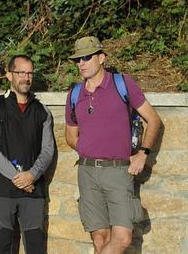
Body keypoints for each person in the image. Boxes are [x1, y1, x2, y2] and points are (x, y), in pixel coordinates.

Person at [65, 36, 162, 254]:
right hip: (87, 172)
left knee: (122, 238)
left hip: (118, 172)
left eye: (86, 57)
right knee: (99, 239)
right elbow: (71, 136)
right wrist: (92, 149)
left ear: (101, 58)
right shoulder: (75, 93)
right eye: (77, 59)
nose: (81, 63)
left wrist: (142, 154)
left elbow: (154, 120)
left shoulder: (122, 83)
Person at [0, 54, 54, 254]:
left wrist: (32, 175)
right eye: (21, 72)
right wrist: (18, 177)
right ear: (9, 75)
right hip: (2, 187)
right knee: (2, 247)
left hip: (33, 189)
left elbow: (48, 150)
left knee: (36, 248)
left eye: (30, 73)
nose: (26, 77)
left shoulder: (42, 111)